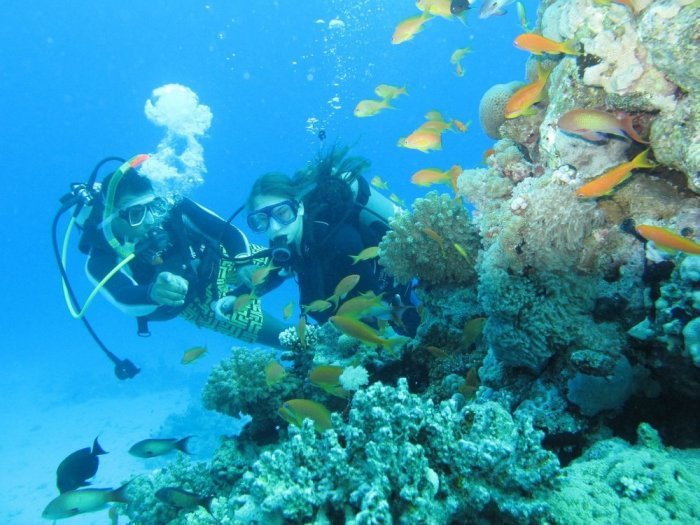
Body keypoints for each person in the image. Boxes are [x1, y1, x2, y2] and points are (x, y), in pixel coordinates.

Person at [79, 154, 287, 348]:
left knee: (289, 257)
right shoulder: (100, 258)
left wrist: (243, 260)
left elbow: (226, 232)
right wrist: (154, 293)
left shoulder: (171, 206)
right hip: (196, 299)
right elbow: (123, 297)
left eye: (153, 206)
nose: (151, 220)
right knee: (287, 338)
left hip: (217, 256)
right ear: (111, 214)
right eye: (136, 213)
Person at [243, 144, 418, 333]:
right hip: (354, 323)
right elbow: (277, 270)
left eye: (282, 213)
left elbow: (373, 306)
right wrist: (236, 297)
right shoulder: (288, 240)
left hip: (405, 300)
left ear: (299, 207)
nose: (275, 227)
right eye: (261, 221)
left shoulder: (339, 241)